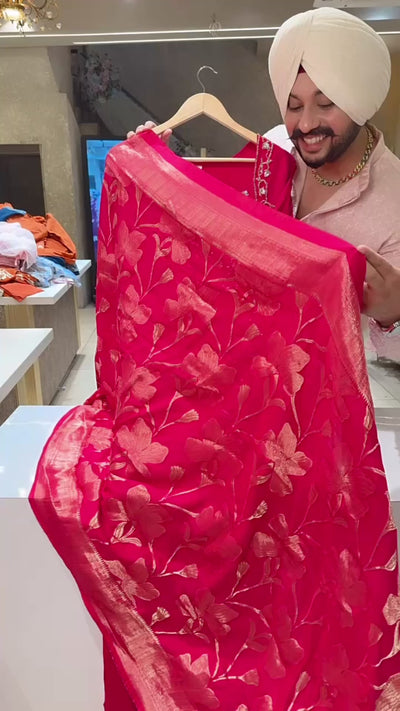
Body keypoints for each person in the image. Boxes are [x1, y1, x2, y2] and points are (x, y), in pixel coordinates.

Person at [134, 7, 400, 337]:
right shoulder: (273, 147)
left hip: (318, 364)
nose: (305, 124)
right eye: (293, 105)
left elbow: (388, 348)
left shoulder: (394, 201)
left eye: (326, 104)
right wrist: (155, 173)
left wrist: (392, 314)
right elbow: (212, 231)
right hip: (236, 349)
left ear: (358, 101)